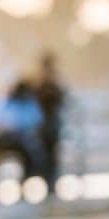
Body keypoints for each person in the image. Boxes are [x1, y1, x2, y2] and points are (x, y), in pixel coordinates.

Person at [0, 78, 46, 182]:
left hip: (24, 139)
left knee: (36, 153)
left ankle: (34, 177)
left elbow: (36, 121)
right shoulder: (8, 103)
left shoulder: (30, 104)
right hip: (6, 138)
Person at [34, 51, 68, 194]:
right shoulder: (43, 81)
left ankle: (51, 185)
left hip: (49, 124)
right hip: (46, 124)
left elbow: (63, 98)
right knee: (46, 156)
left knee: (51, 155)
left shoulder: (50, 81)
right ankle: (49, 185)